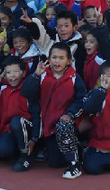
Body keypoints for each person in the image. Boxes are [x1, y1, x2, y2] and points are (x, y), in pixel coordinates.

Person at [22, 43, 87, 179]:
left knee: (64, 126)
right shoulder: (42, 75)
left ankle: (74, 164)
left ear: (69, 61)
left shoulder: (74, 78)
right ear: (49, 59)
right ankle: (75, 148)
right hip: (45, 126)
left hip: (64, 124)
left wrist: (70, 114)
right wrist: (36, 75)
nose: (57, 61)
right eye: (54, 57)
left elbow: (81, 100)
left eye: (61, 58)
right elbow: (26, 92)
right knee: (55, 163)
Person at [0, 57, 40, 171]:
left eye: (16, 71)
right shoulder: (3, 89)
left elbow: (36, 115)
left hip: (27, 128)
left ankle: (25, 156)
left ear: (23, 73)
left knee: (16, 121)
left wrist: (34, 139)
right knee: (2, 151)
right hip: (9, 129)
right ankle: (17, 151)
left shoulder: (28, 89)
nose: (12, 76)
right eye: (8, 72)